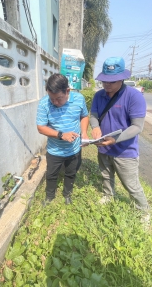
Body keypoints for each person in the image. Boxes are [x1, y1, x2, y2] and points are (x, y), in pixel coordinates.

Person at [90, 57, 149, 218]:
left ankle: (143, 212)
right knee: (106, 176)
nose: (107, 84)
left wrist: (116, 139)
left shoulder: (134, 97)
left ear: (122, 78)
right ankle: (108, 196)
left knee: (131, 184)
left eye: (112, 81)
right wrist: (95, 127)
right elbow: (94, 115)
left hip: (125, 151)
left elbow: (137, 127)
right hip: (104, 147)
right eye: (105, 81)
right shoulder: (99, 96)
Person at [36, 73, 89, 205]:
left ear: (67, 91)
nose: (55, 102)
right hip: (55, 150)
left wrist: (84, 133)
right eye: (51, 98)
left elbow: (84, 116)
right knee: (51, 175)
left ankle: (67, 194)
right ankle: (49, 197)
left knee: (71, 173)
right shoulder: (44, 103)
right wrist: (61, 135)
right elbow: (41, 127)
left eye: (58, 98)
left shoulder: (79, 99)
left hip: (74, 148)